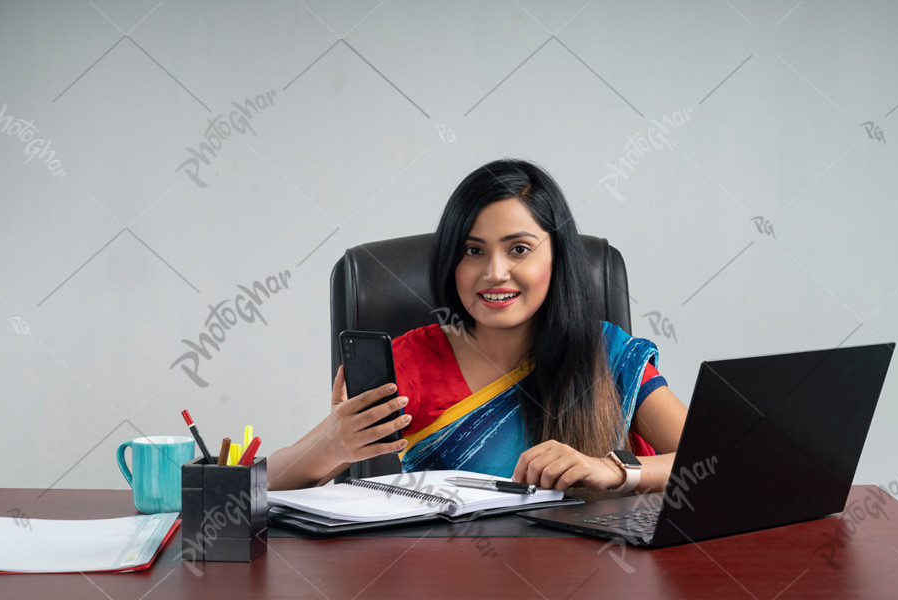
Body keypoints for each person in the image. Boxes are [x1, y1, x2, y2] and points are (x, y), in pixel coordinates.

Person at [268, 159, 687, 493]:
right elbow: (262, 482)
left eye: (519, 249)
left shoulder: (607, 352)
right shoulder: (410, 362)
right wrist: (332, 445)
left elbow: (717, 461)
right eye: (473, 250)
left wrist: (613, 470)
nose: (495, 272)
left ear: (557, 257)